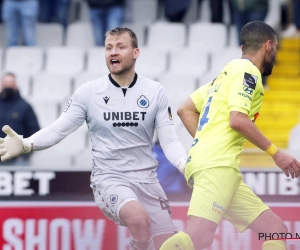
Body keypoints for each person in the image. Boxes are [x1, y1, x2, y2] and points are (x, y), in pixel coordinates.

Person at [0, 27, 187, 249]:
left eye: (120, 47)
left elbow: (169, 141)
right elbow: (60, 128)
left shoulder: (155, 91)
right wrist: (27, 143)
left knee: (168, 244)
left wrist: (185, 165)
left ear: (135, 52)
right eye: (109, 48)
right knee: (140, 220)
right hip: (110, 179)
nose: (112, 52)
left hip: (147, 181)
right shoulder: (89, 92)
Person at [160, 21, 300, 250]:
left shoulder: (224, 76)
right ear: (268, 45)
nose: (274, 53)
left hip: (218, 167)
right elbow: (237, 119)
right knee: (198, 237)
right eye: (275, 48)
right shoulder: (248, 72)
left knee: (276, 230)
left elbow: (185, 109)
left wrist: (206, 143)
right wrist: (276, 153)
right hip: (217, 166)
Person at [0, 73, 39, 166]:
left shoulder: (25, 106)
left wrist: (25, 153)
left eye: (11, 83)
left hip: (19, 159)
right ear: (1, 84)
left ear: (15, 85)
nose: (8, 86)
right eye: (6, 83)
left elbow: (34, 130)